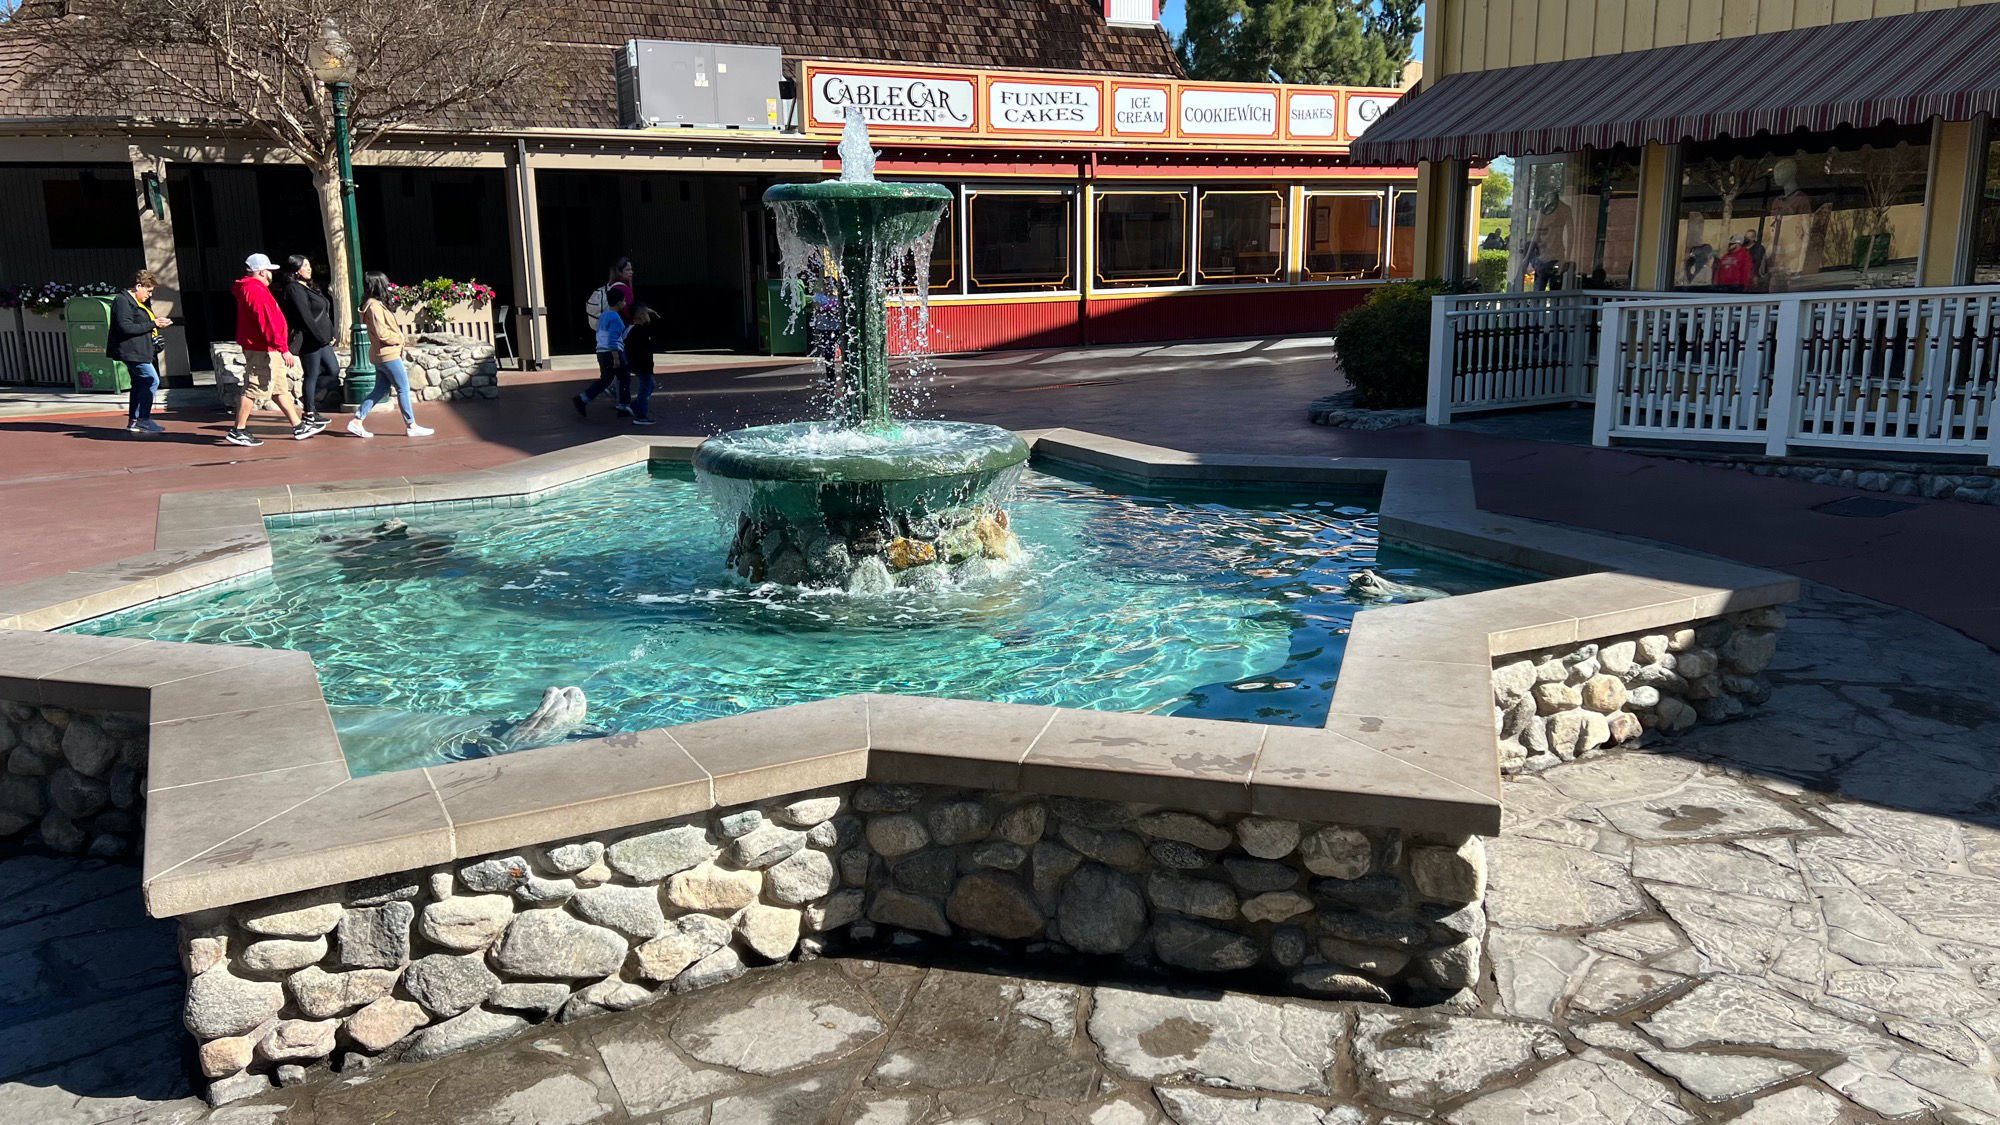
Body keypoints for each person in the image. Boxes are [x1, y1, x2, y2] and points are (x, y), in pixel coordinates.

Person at [228, 253, 322, 447]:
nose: (272, 274)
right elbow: (267, 321)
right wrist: (282, 348)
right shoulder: (256, 290)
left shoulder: (251, 288)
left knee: (278, 386)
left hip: (266, 346)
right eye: (269, 271)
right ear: (262, 272)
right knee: (253, 386)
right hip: (263, 348)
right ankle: (239, 430)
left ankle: (297, 425)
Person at [347, 272, 435, 438]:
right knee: (403, 388)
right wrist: (399, 338)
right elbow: (382, 333)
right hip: (388, 354)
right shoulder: (374, 307)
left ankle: (357, 420)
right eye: (385, 282)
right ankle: (411, 425)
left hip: (381, 354)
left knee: (380, 389)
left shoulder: (373, 305)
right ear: (378, 284)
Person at [275, 255, 338, 425]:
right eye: (305, 266)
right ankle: (309, 411)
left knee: (333, 370)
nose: (309, 268)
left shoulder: (309, 287)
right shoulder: (294, 289)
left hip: (322, 339)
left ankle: (308, 396)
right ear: (296, 269)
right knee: (311, 374)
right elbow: (305, 316)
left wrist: (328, 334)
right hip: (309, 339)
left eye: (310, 265)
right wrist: (318, 335)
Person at [108, 269, 171, 435]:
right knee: (151, 380)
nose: (149, 295)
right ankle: (143, 419)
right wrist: (154, 324)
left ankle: (135, 421)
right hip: (132, 351)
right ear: (138, 286)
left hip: (139, 350)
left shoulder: (134, 302)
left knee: (139, 384)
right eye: (148, 291)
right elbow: (125, 327)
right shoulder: (123, 301)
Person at [573, 287, 631, 418]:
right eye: (624, 301)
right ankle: (624, 406)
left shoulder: (604, 315)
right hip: (612, 351)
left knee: (606, 379)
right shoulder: (615, 318)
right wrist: (616, 357)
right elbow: (613, 338)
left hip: (601, 351)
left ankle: (584, 398)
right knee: (624, 377)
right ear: (619, 303)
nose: (625, 303)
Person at [623, 303, 659, 426]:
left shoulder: (634, 329)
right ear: (642, 316)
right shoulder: (639, 331)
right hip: (643, 365)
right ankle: (641, 416)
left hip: (641, 365)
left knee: (650, 385)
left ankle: (635, 406)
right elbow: (638, 350)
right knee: (645, 388)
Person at [584, 256, 635, 332]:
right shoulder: (622, 288)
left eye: (631, 269)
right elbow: (629, 312)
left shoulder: (610, 285)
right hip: (620, 330)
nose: (631, 272)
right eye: (627, 270)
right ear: (619, 272)